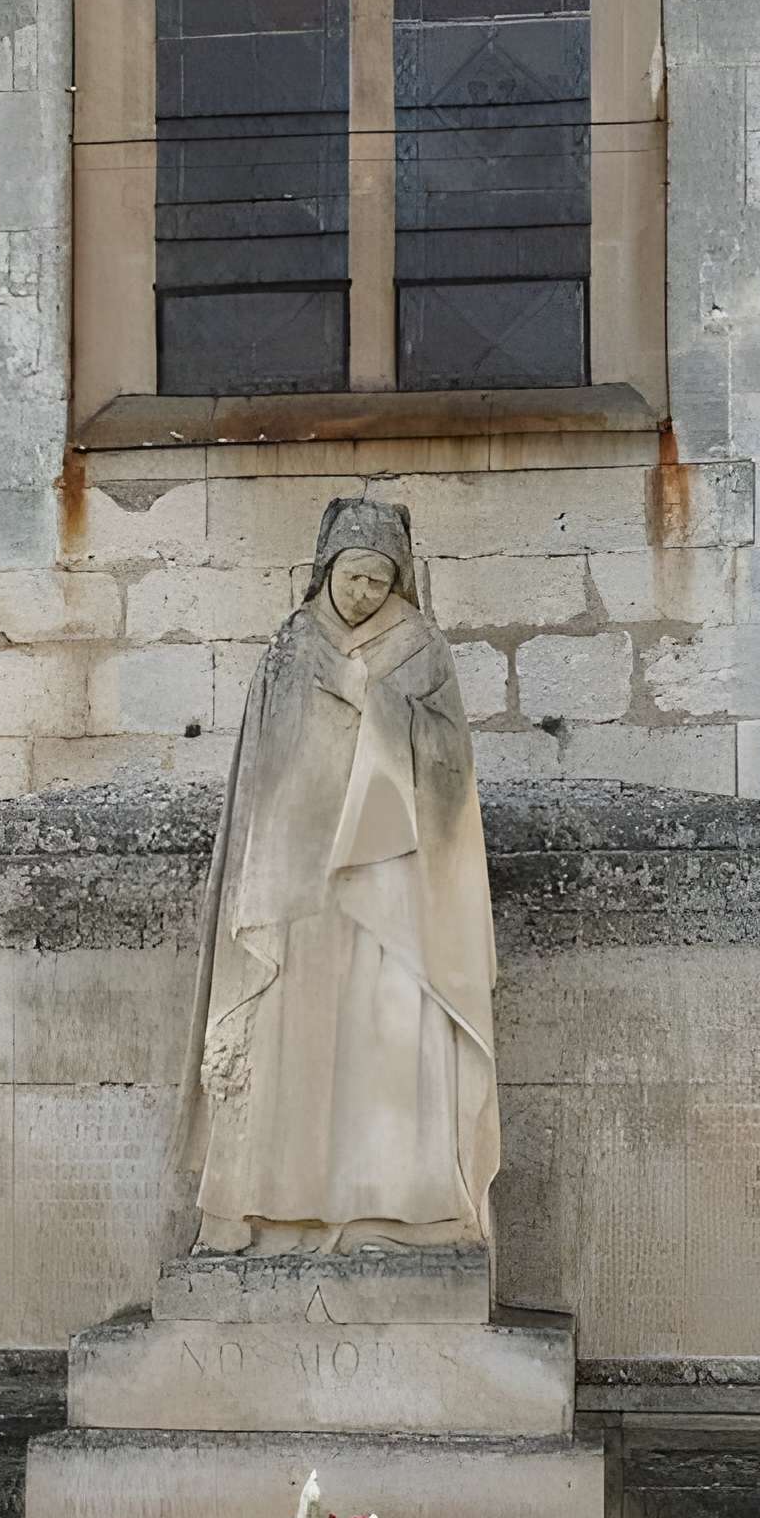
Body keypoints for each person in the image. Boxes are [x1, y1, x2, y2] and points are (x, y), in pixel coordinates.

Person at [179, 496, 500, 1256]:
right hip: (300, 885)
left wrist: (370, 701)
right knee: (297, 1044)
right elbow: (264, 773)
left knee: (388, 1044)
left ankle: (402, 1212)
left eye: (380, 582)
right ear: (327, 570)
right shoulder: (291, 648)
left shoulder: (421, 648)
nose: (364, 595)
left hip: (395, 888)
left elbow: (450, 770)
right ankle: (274, 1214)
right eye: (354, 577)